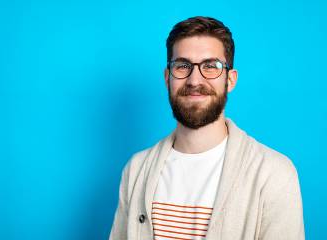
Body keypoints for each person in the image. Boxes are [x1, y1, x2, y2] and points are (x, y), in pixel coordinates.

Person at [109, 16, 305, 240]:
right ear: (167, 78)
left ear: (230, 80)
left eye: (210, 66)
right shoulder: (136, 170)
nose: (194, 80)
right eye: (182, 66)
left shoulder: (274, 174)